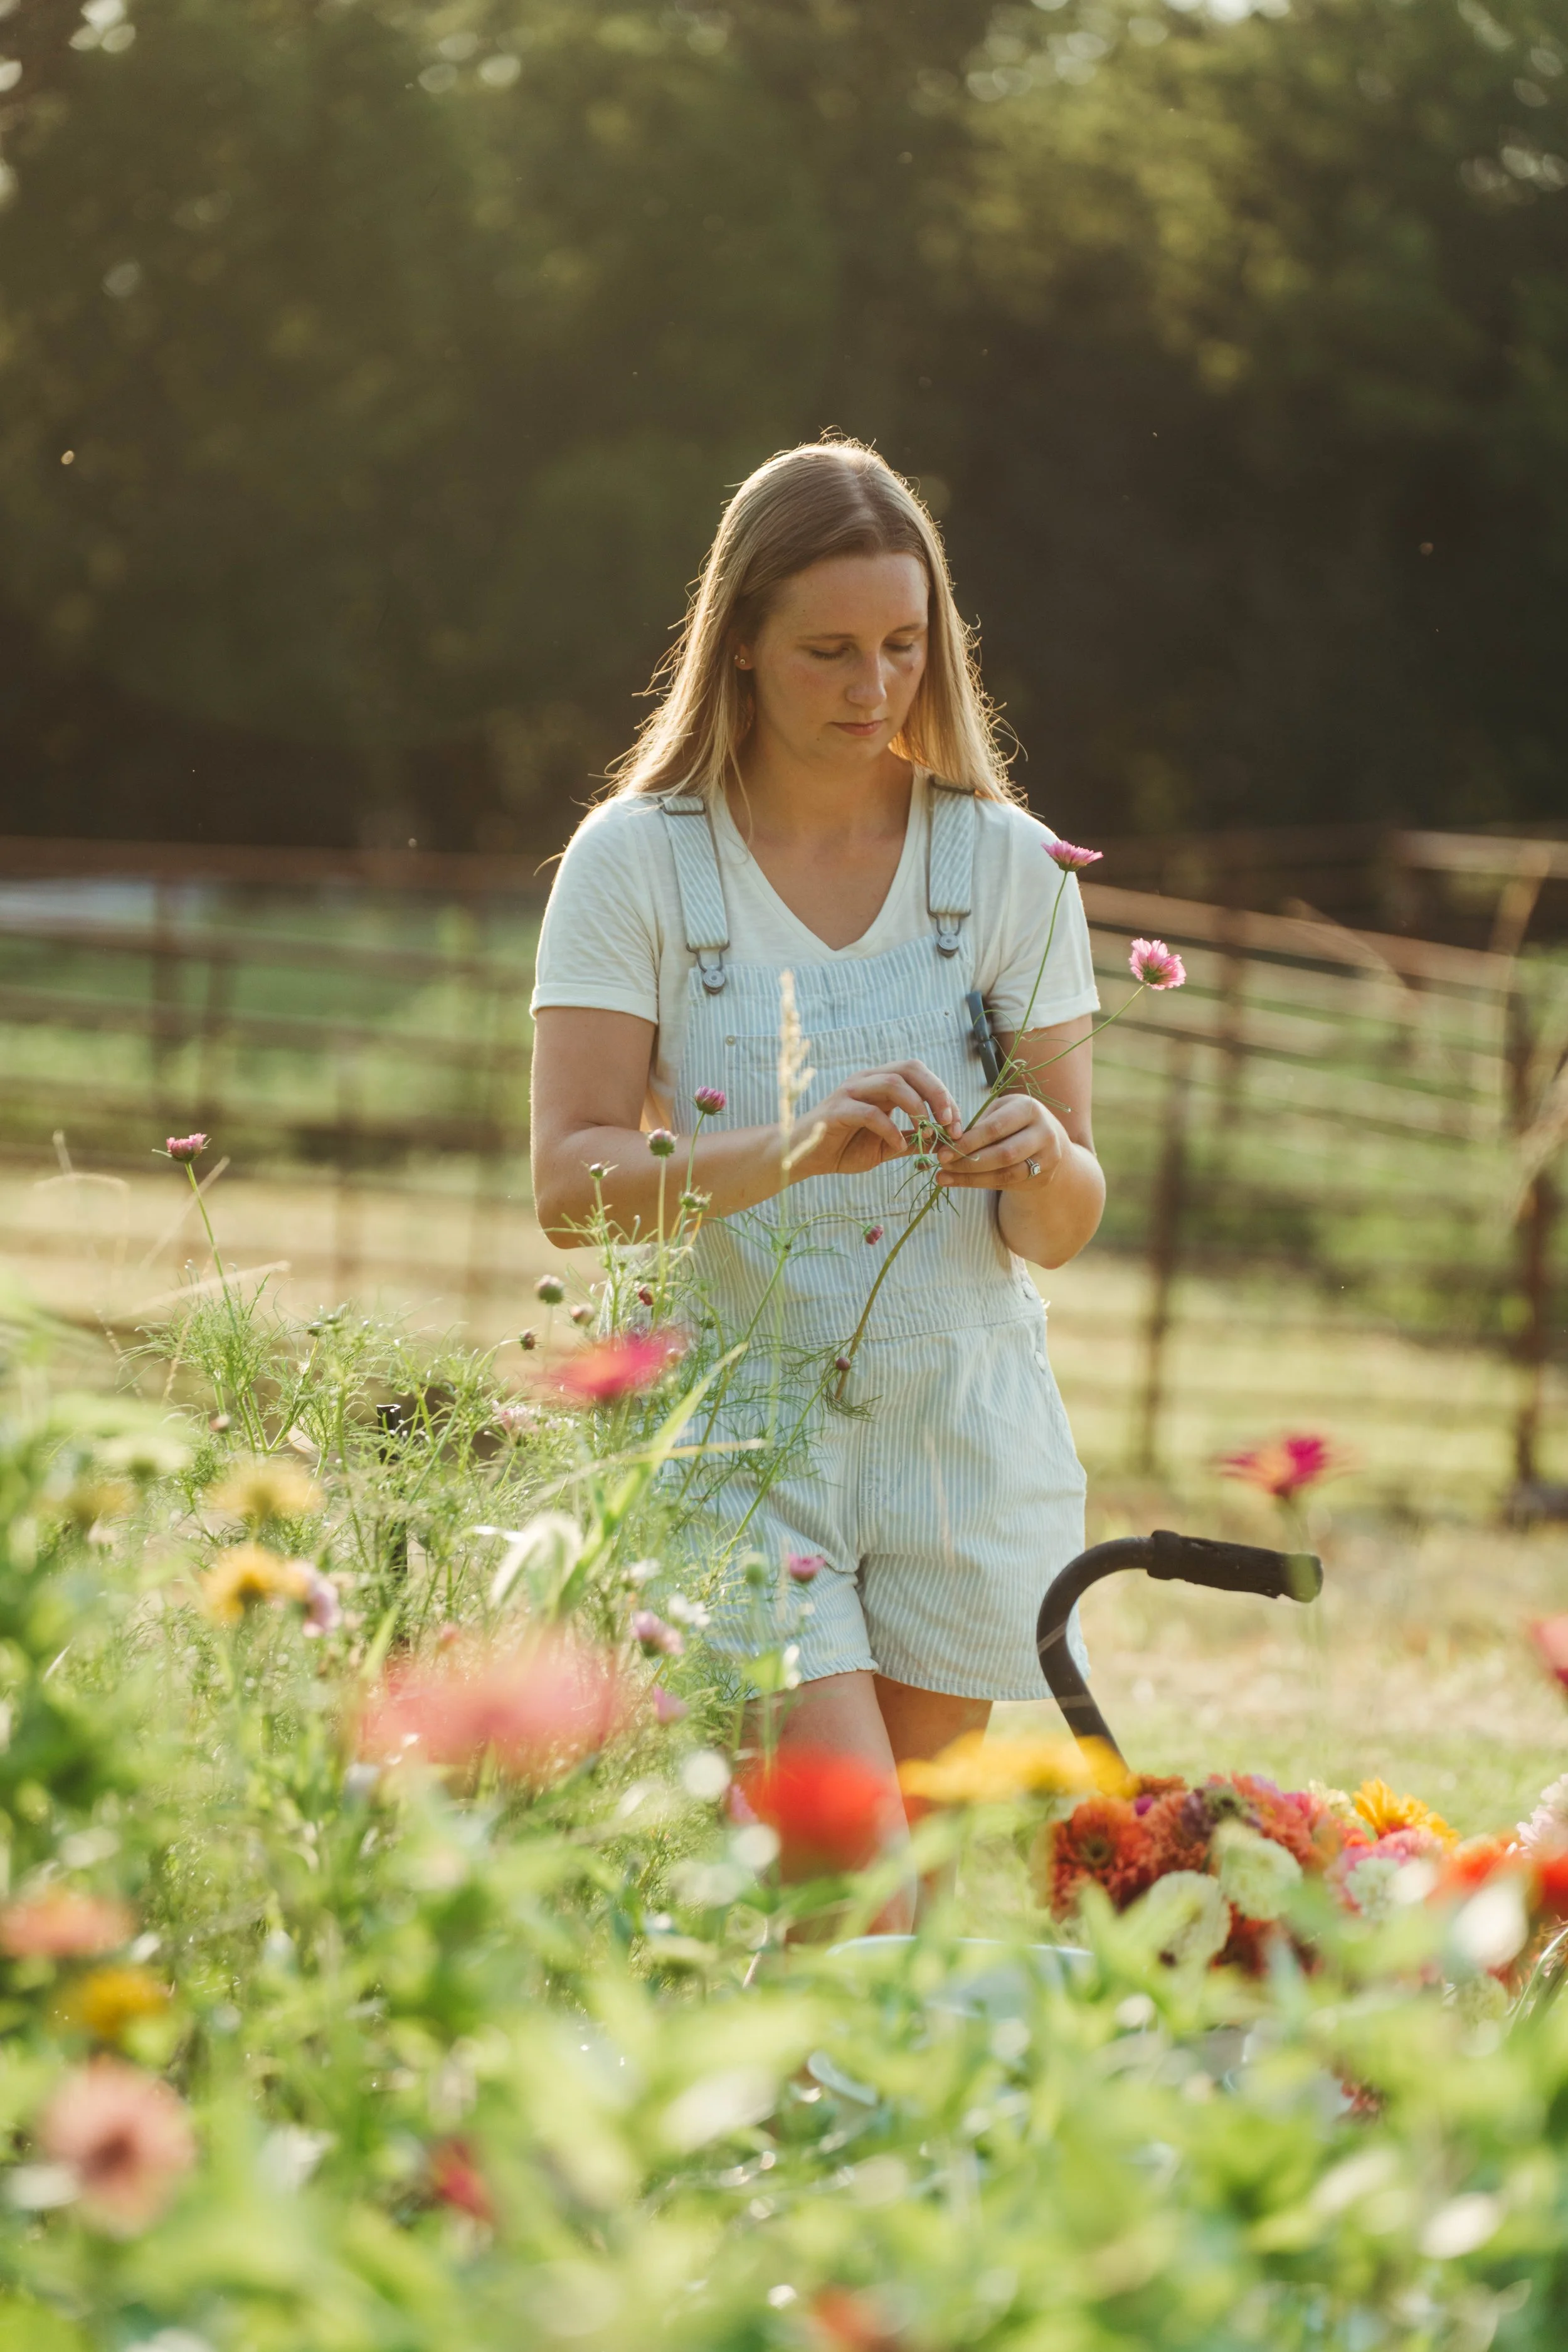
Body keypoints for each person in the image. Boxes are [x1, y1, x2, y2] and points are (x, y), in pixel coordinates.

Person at [530, 439, 1104, 1926]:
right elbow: (570, 1181)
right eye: (828, 650)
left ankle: (780, 2158)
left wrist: (1039, 1158)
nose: (872, 687)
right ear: (737, 648)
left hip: (958, 1433)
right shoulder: (635, 866)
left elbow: (1064, 1228)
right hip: (743, 1429)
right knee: (856, 1889)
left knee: (860, 1914)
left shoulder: (1009, 869)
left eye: (905, 646)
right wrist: (787, 1147)